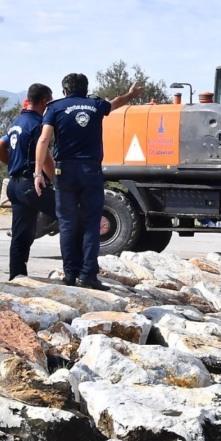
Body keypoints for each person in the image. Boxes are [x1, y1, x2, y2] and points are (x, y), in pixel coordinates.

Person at [35, 74, 142, 289]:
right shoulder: (96, 105)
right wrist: (131, 94)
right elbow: (116, 102)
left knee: (67, 224)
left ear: (64, 90)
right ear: (86, 89)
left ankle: (70, 275)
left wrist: (39, 172)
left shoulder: (55, 108)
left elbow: (44, 140)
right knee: (91, 224)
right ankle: (87, 276)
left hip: (64, 171)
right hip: (90, 171)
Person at [0, 83, 57, 280]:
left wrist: (14, 163)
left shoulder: (16, 123)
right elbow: (44, 157)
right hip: (31, 185)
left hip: (15, 185)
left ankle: (17, 277)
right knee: (72, 216)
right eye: (50, 102)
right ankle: (77, 271)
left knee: (21, 235)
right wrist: (56, 182)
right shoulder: (39, 124)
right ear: (45, 101)